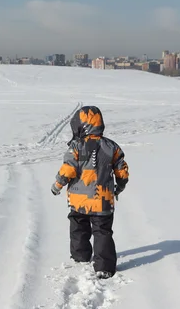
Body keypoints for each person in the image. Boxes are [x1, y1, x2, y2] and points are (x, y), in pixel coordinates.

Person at [51, 105, 129, 279]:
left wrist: (57, 185)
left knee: (78, 226)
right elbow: (122, 170)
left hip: (79, 200)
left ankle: (80, 256)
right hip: (102, 199)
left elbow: (68, 169)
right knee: (102, 231)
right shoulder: (111, 147)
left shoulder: (77, 146)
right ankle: (104, 267)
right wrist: (121, 185)